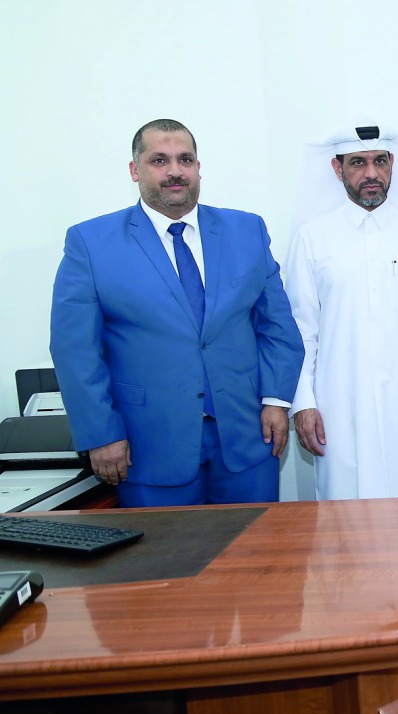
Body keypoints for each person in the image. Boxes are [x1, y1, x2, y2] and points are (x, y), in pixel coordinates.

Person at [50, 119, 304, 507]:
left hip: (248, 441)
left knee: (255, 563)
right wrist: (101, 434)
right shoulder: (90, 243)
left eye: (185, 159)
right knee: (167, 566)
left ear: (198, 167)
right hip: (147, 446)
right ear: (135, 170)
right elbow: (76, 351)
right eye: (159, 160)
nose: (174, 171)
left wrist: (277, 399)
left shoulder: (246, 230)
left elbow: (277, 327)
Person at [284, 120, 398, 627]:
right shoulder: (312, 239)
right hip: (341, 410)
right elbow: (299, 331)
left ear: (393, 167)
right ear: (337, 169)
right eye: (359, 163)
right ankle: (358, 624)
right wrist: (303, 403)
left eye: (380, 162)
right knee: (350, 516)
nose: (372, 174)